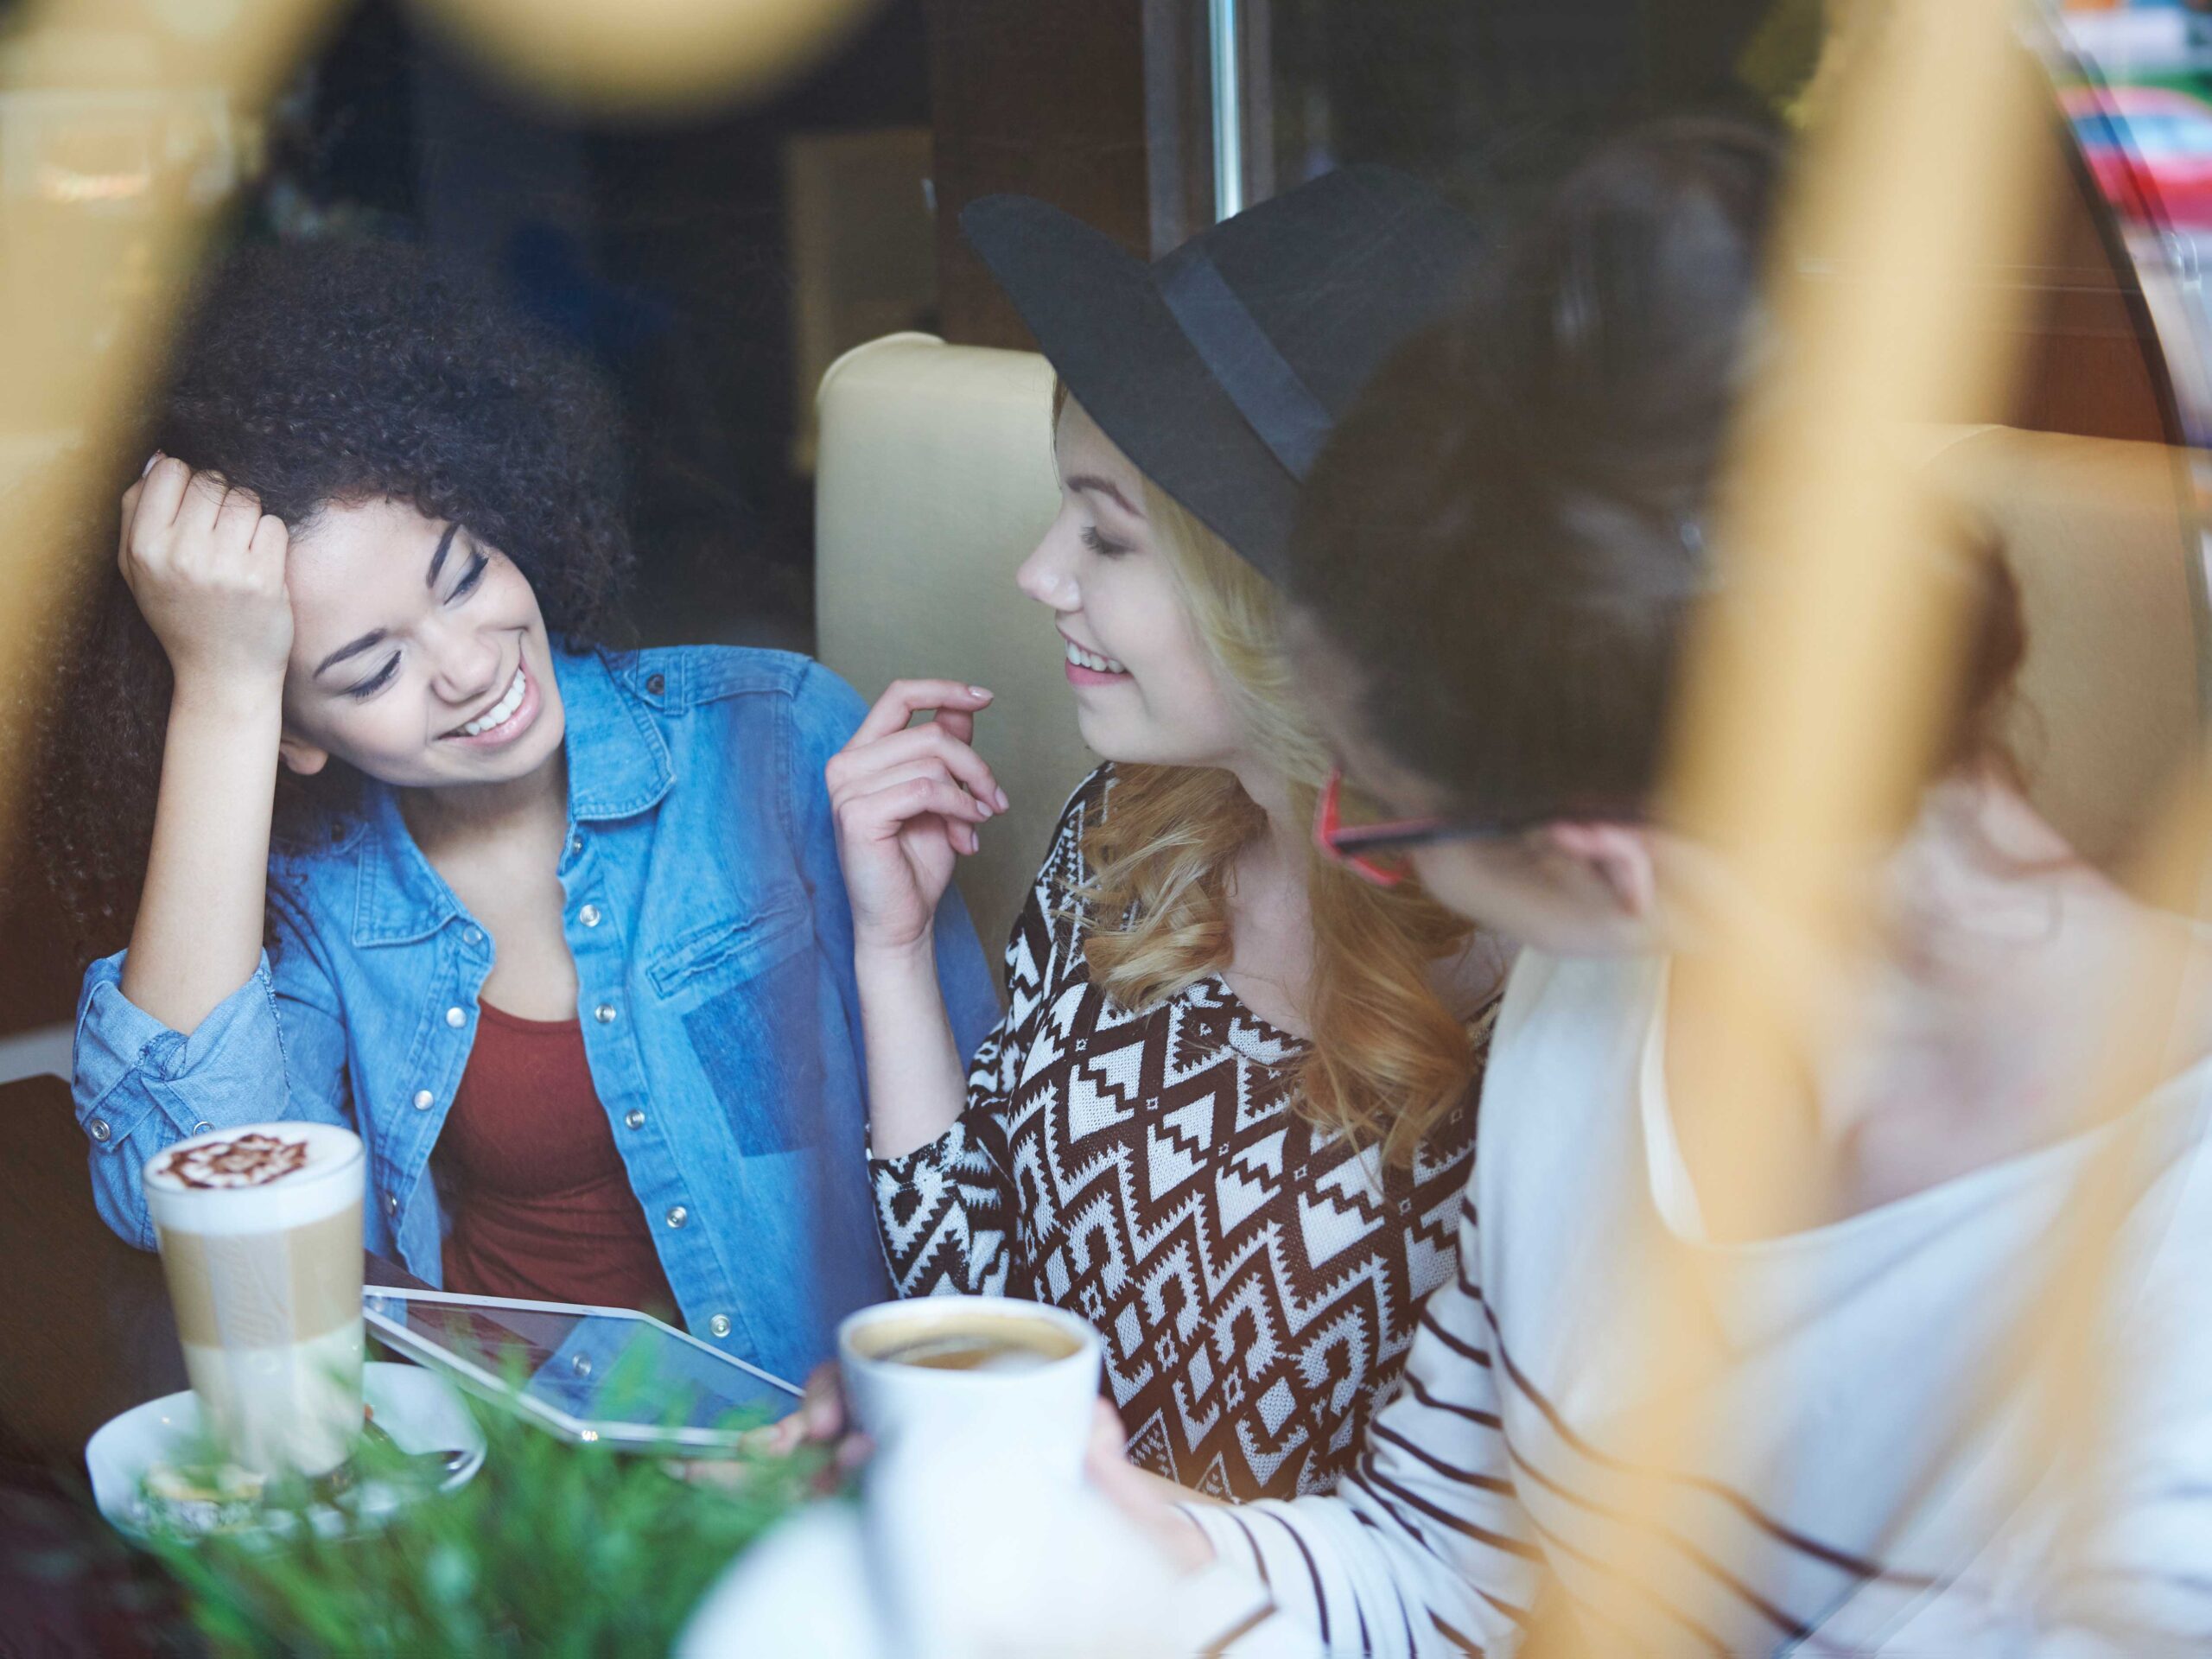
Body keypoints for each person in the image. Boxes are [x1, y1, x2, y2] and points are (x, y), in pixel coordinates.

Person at [1099, 120, 2212, 1653]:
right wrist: (1085, 1535)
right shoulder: (1592, 1000)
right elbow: (1445, 1577)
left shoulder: (2168, 1276)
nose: (1339, 834)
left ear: (1613, 856)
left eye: (1388, 810)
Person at [39, 241, 999, 1383]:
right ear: (295, 734)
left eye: (461, 574)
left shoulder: (776, 734)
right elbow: (191, 1200)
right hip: (517, 1472)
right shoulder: (312, 886)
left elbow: (976, 1190)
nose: (465, 666)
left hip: (803, 1454)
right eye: (367, 672)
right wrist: (223, 690)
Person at [828, 169, 1512, 1501]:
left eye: (1106, 534)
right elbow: (979, 1323)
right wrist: (892, 950)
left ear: (1268, 599)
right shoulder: (1131, 831)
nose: (1041, 572)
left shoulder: (1535, 983)